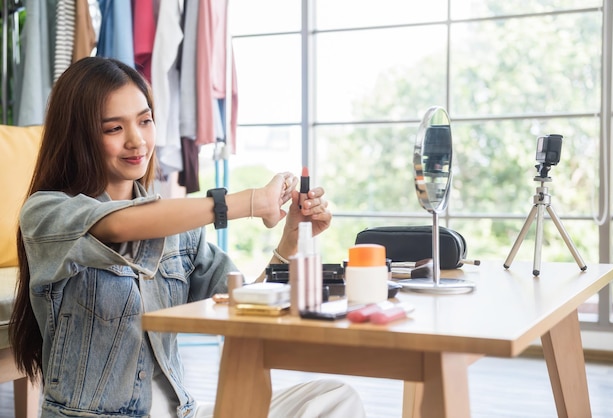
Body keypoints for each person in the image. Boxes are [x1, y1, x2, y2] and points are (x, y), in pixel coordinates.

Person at [9, 56, 366, 418]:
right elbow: (116, 227)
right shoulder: (47, 213)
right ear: (78, 136)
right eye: (113, 129)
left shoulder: (178, 227)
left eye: (145, 121)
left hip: (182, 413)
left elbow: (243, 306)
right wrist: (252, 201)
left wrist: (292, 238)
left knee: (334, 397)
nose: (137, 141)